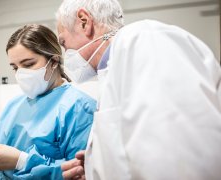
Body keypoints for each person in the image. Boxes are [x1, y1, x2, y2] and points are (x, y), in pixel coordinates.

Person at [56, 0, 221, 179]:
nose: (67, 54)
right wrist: (96, 164)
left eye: (63, 43)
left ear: (84, 21)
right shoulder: (115, 69)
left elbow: (177, 158)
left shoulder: (146, 40)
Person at [0, 24, 96, 179]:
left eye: (28, 64)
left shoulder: (80, 107)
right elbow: (5, 147)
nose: (21, 74)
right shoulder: (14, 105)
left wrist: (21, 162)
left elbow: (78, 172)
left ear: (54, 61)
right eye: (15, 68)